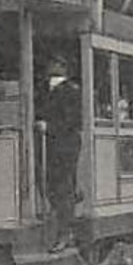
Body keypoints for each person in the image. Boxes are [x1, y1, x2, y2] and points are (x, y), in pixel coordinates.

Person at [39, 56, 84, 247]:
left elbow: (73, 121)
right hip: (48, 146)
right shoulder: (44, 88)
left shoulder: (71, 91)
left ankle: (66, 233)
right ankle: (58, 227)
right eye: (52, 64)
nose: (53, 67)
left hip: (65, 146)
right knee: (51, 187)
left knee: (63, 187)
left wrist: (48, 127)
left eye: (57, 64)